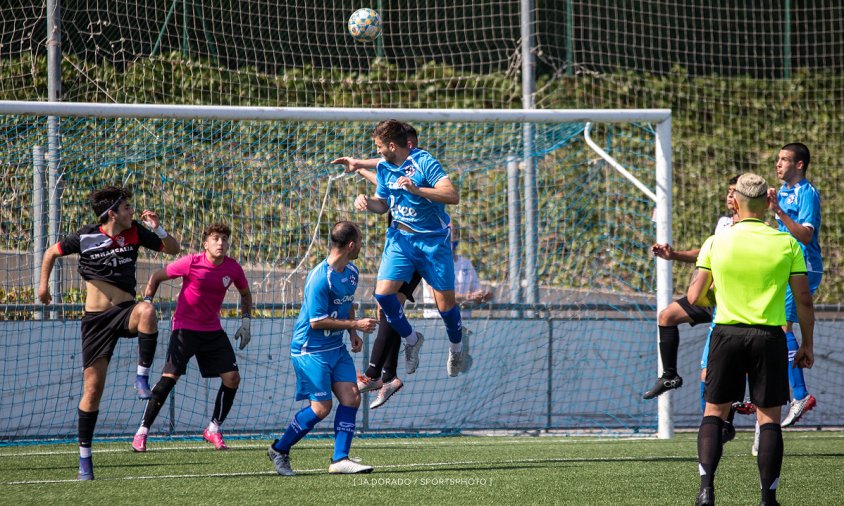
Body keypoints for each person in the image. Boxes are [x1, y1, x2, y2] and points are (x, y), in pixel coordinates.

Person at [687, 172, 814, 506]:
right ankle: (767, 498)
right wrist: (807, 344)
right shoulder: (786, 243)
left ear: (736, 201)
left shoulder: (716, 241)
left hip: (726, 333)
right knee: (768, 418)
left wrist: (717, 301)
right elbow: (803, 301)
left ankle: (706, 490)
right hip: (769, 337)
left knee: (714, 413)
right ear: (765, 203)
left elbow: (695, 295)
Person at [37, 186, 180, 480]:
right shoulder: (86, 236)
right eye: (127, 207)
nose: (132, 211)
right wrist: (43, 288)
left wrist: (159, 228)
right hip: (96, 321)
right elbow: (52, 252)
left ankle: (142, 378)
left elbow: (173, 249)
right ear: (112, 213)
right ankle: (85, 460)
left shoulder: (136, 232)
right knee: (92, 391)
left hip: (126, 313)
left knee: (149, 310)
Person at [347, 119, 466, 377]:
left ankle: (457, 347)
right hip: (400, 240)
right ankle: (412, 340)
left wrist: (418, 189)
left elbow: (452, 196)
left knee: (446, 308)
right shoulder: (386, 168)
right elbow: (383, 204)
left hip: (433, 243)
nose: (377, 151)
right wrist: (368, 202)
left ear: (392, 145)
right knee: (383, 296)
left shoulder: (424, 162)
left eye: (379, 146)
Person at [267, 221, 378, 476]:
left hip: (335, 347)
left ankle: (340, 459)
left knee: (351, 397)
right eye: (360, 242)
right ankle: (279, 449)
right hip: (310, 350)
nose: (361, 246)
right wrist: (356, 323)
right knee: (321, 408)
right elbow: (316, 322)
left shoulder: (351, 271)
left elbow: (347, 302)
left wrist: (352, 333)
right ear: (351, 245)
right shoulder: (319, 278)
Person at [131, 223, 252, 452]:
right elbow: (156, 277)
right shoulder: (191, 262)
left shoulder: (232, 268)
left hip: (212, 330)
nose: (220, 243)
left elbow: (245, 294)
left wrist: (246, 322)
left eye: (225, 239)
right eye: (216, 238)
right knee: (169, 378)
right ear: (205, 244)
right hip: (185, 328)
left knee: (233, 378)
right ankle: (142, 432)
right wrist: (147, 302)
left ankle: (213, 429)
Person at [333, 123, 424, 409]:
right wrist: (359, 169)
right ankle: (389, 376)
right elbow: (384, 180)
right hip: (400, 247)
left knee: (387, 306)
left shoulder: (420, 165)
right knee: (386, 309)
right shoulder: (395, 168)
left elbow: (387, 171)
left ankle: (375, 373)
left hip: (416, 247)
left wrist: (360, 163)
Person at [643, 176, 739, 401]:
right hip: (708, 298)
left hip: (731, 303)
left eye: (734, 191)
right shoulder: (724, 224)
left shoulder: (754, 228)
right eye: (728, 190)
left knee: (715, 371)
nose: (729, 195)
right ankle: (669, 376)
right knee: (666, 316)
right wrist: (673, 255)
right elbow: (705, 252)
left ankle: (729, 414)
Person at [767, 142, 821, 428]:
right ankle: (796, 389)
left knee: (782, 327)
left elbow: (805, 237)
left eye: (784, 160)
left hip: (805, 267)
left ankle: (800, 394)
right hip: (788, 267)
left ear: (799, 165)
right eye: (777, 159)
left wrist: (779, 212)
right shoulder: (783, 192)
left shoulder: (807, 193)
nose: (778, 164)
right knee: (779, 325)